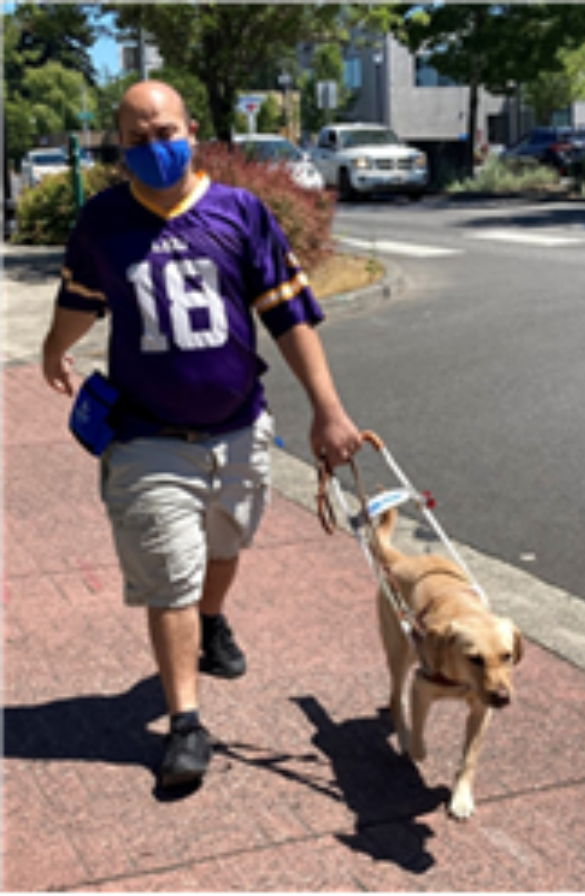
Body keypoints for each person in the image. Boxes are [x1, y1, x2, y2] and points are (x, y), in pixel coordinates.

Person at [42, 81, 362, 790]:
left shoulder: (240, 212)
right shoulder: (102, 221)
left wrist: (327, 408)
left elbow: (287, 315)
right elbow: (79, 299)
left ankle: (212, 621)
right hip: (145, 435)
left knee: (226, 544)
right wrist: (51, 349)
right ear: (118, 146)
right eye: (137, 139)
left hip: (240, 428)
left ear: (192, 130)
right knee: (169, 576)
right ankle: (186, 720)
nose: (155, 148)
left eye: (165, 132)